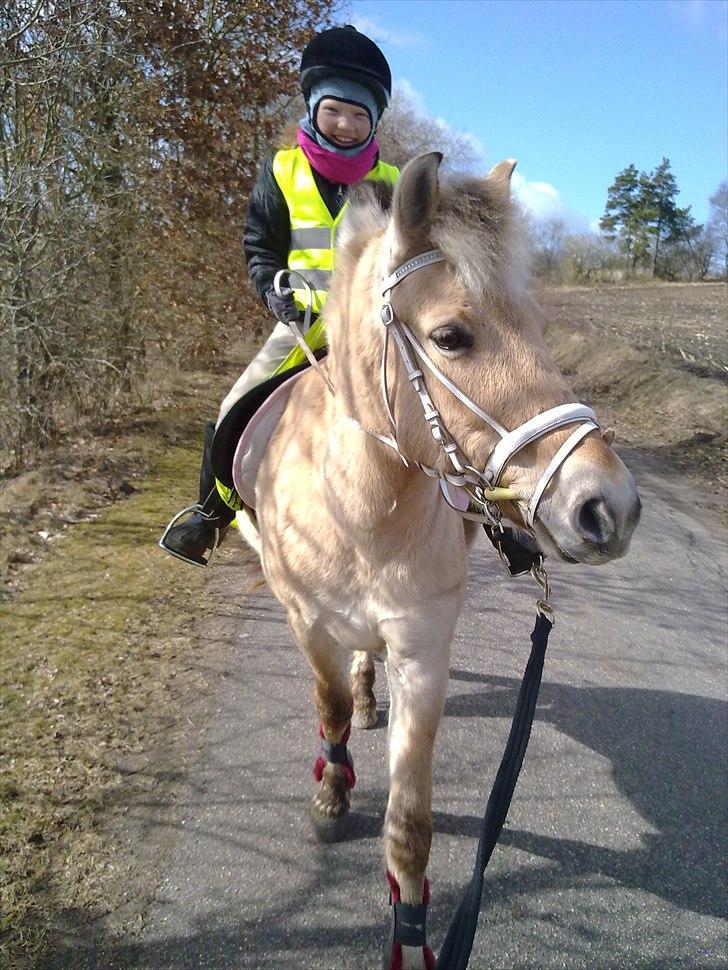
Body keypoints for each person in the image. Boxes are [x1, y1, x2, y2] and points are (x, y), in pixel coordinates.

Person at [159, 25, 399, 566]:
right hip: (302, 325)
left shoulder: (390, 181)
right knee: (231, 407)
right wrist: (273, 293)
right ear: (314, 107)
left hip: (371, 328)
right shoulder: (281, 170)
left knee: (437, 403)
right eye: (336, 110)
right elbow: (260, 247)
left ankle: (495, 521)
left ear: (375, 122)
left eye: (360, 115)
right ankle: (210, 514)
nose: (346, 125)